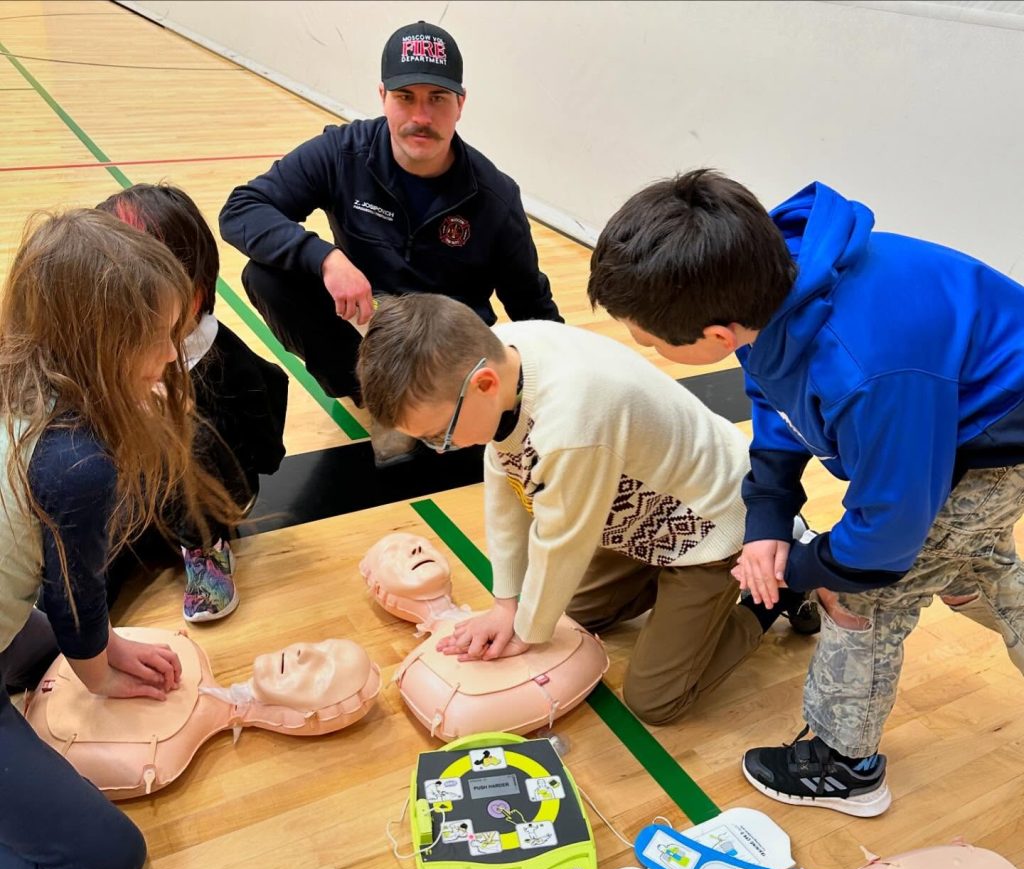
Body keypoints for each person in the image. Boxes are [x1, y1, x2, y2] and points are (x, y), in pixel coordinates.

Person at [587, 169, 1024, 816]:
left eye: (647, 338)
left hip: (990, 438)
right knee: (973, 563)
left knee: (860, 595)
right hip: (947, 412)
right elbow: (776, 392)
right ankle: (951, 574)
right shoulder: (767, 278)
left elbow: (887, 525)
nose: (642, 345)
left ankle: (845, 764)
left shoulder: (863, 363)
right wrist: (768, 517)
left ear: (714, 336)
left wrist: (806, 566)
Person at [356, 294, 813, 725]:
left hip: (709, 526)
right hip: (637, 512)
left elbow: (562, 541)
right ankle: (670, 594)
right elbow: (505, 481)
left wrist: (525, 631)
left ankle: (779, 590)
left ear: (484, 384)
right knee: (569, 614)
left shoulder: (571, 424)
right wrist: (506, 603)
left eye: (440, 434)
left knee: (657, 699)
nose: (440, 450)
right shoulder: (503, 352)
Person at [0, 209, 241, 869]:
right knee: (107, 861)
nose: (172, 354)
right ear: (103, 344)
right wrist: (98, 669)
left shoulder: (21, 373)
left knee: (46, 648)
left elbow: (69, 605)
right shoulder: (74, 461)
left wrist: (96, 645)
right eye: (159, 337)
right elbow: (73, 602)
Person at [219, 20, 562, 464]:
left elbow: (529, 299)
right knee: (267, 276)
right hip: (366, 324)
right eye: (406, 97)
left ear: (460, 103)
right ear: (383, 97)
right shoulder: (342, 153)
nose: (421, 117)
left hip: (445, 342)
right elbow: (242, 208)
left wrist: (564, 381)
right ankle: (377, 398)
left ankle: (433, 404)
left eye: (437, 99)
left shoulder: (495, 195)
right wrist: (326, 259)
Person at [98, 183, 288, 622]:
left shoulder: (223, 360)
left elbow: (263, 443)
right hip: (135, 491)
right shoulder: (111, 350)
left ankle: (206, 553)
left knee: (183, 434)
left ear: (196, 288)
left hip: (208, 496)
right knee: (102, 544)